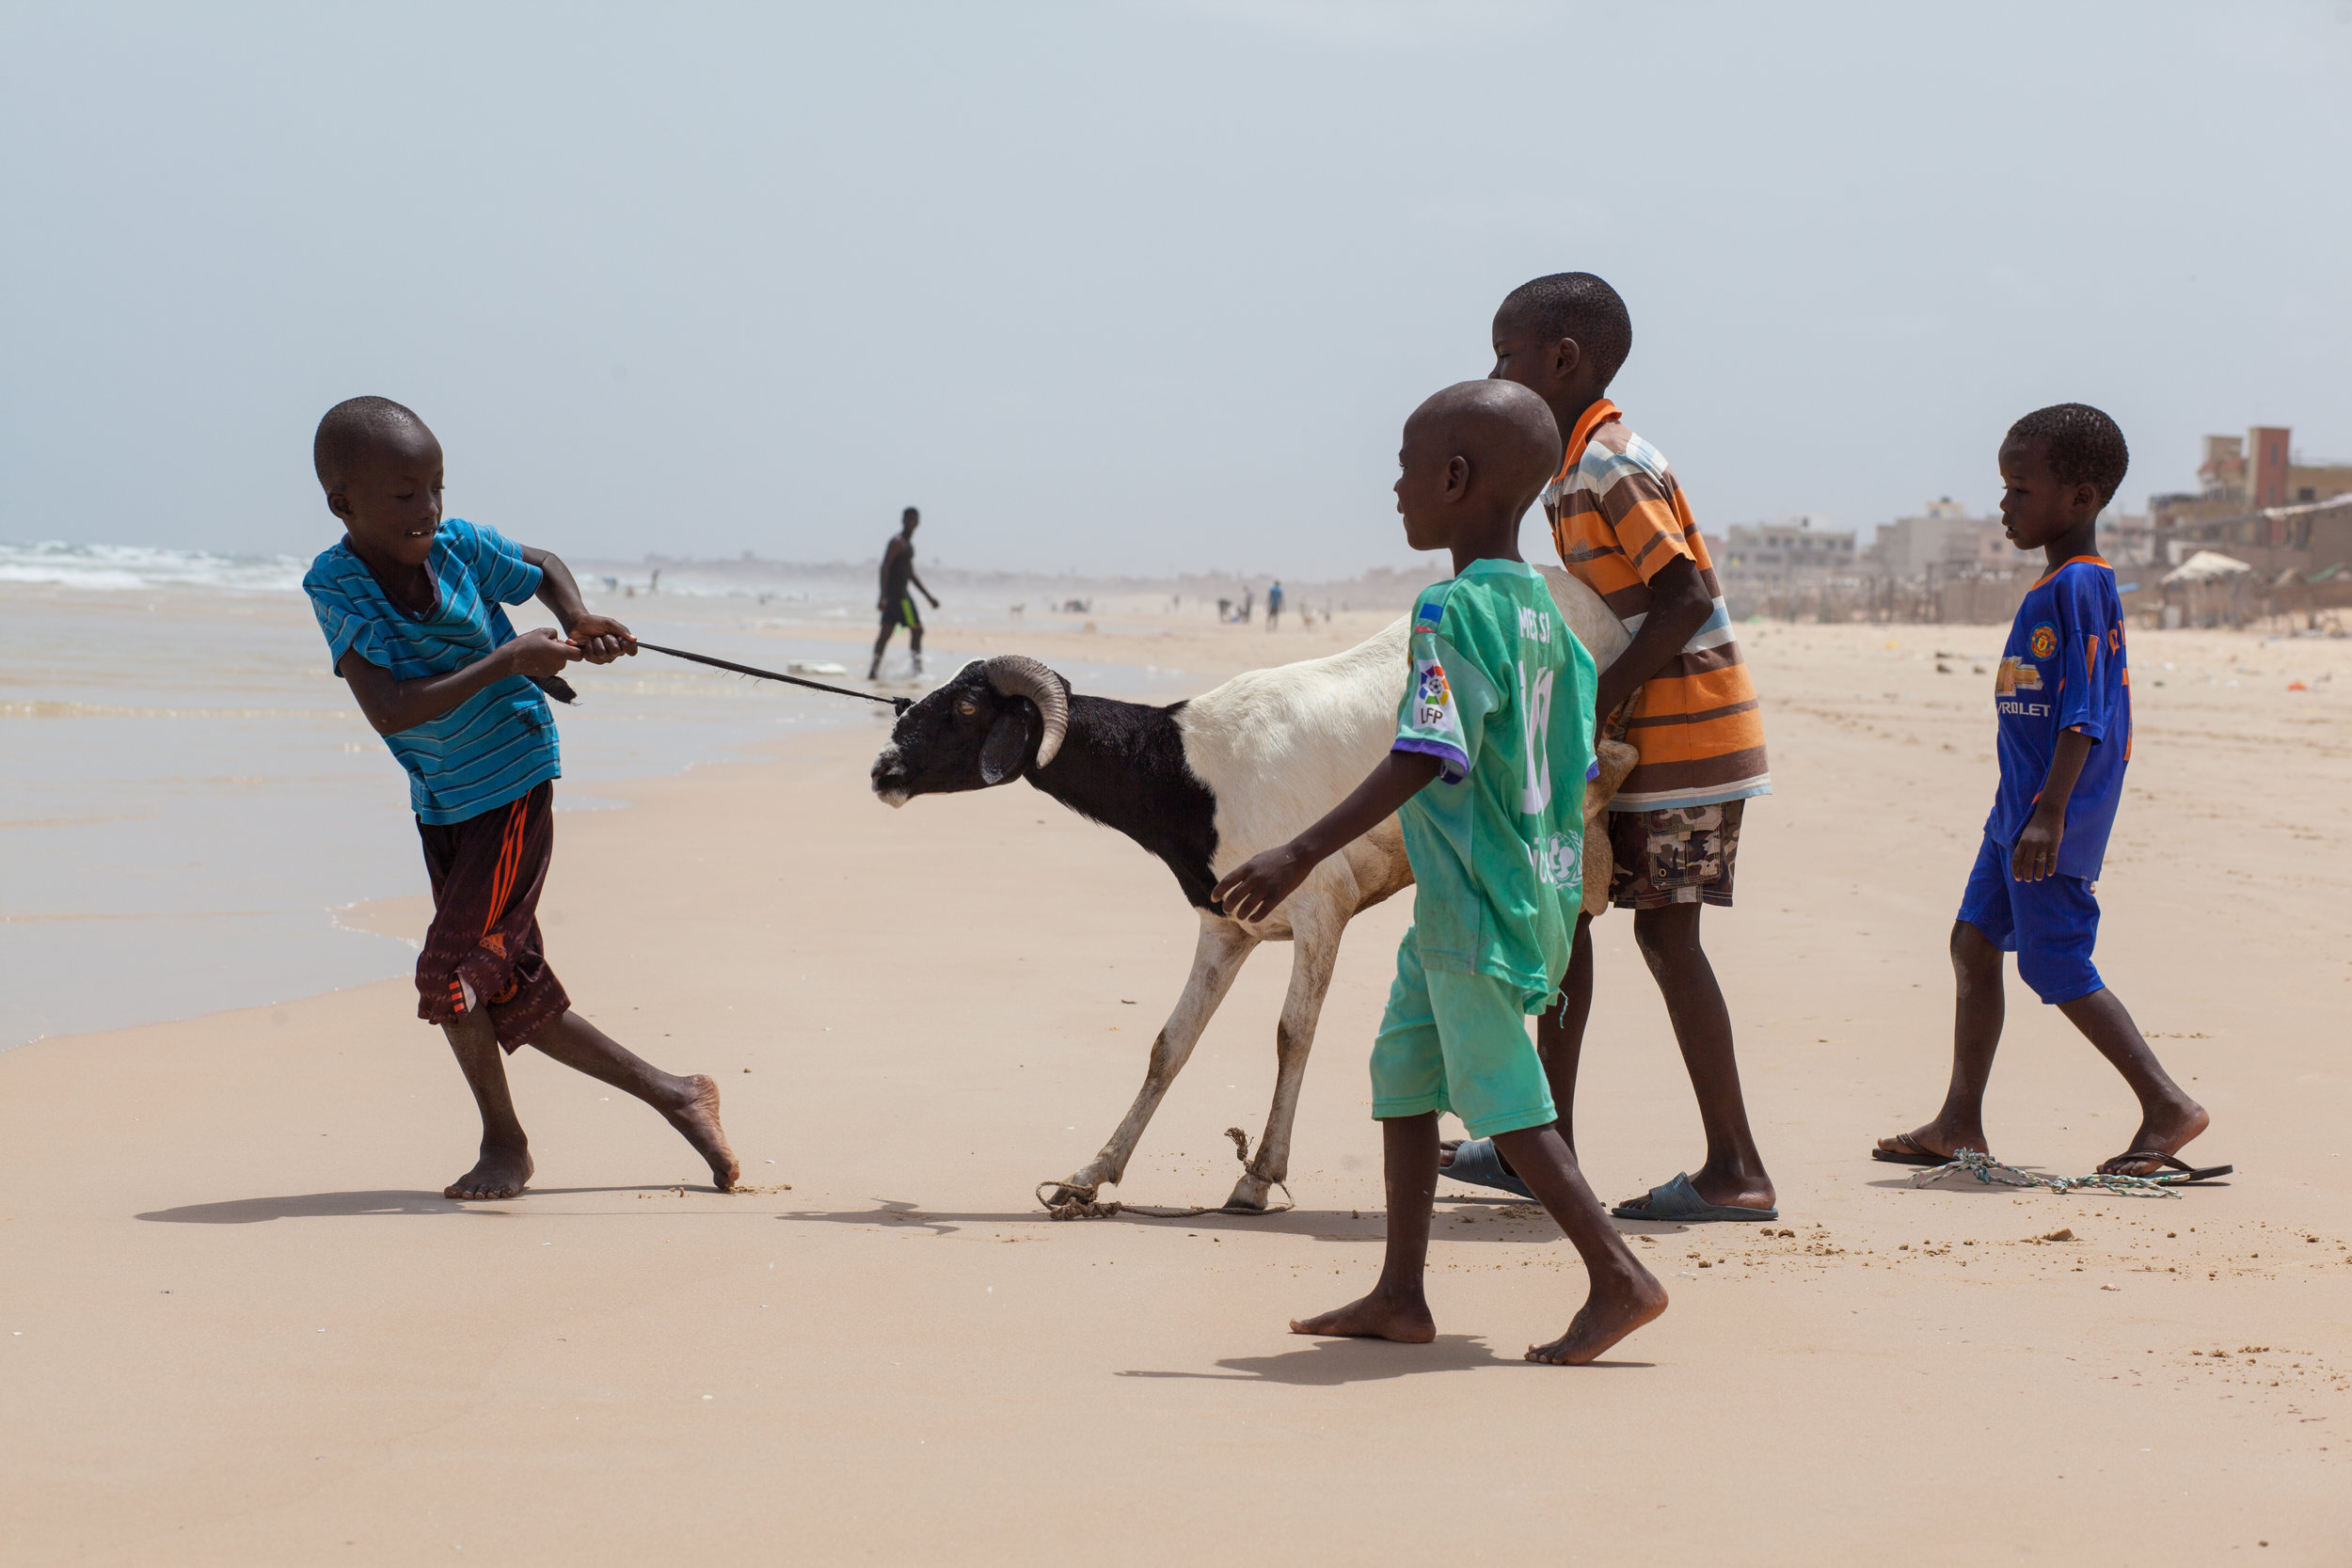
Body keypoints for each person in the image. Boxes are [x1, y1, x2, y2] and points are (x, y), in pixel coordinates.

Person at [1215, 380, 1666, 1366]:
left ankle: (1618, 1274)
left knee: (1505, 1096)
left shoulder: (1451, 610)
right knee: (1405, 1071)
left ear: (1454, 480)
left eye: (1407, 469)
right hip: (1525, 883)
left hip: (1470, 893)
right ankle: (1400, 1291)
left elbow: (1427, 749)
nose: (1395, 487)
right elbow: (1574, 759)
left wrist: (1297, 848)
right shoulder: (1551, 619)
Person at [303, 396, 739, 1201]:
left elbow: (537, 567)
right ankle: (678, 1093)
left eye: (436, 486)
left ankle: (505, 1143)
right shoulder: (337, 584)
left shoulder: (459, 544)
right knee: (509, 987)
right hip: (441, 798)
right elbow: (393, 706)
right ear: (343, 502)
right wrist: (510, 658)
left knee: (451, 975)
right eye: (404, 495)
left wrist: (576, 616)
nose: (428, 509)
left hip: (510, 778)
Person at [1443, 271, 1777, 1224]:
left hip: (1686, 739)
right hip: (1636, 741)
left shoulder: (1608, 465)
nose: (1495, 374)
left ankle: (1735, 1166)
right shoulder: (1567, 470)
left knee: (1668, 937)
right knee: (1571, 918)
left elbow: (1683, 599)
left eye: (1505, 357)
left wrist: (1592, 701)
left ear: (1561, 360)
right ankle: (1540, 1145)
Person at [1875, 405, 2227, 1182]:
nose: (2005, 504)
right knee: (1972, 943)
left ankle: (2167, 1104)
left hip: (2049, 819)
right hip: (2017, 813)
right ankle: (1958, 1120)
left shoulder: (2082, 586)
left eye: (2019, 487)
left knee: (2056, 961)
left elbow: (2086, 709)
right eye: (2004, 486)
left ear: (2081, 496)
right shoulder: (2053, 582)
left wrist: (2052, 813)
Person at [869, 506, 940, 679]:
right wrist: (882, 596)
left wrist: (928, 597)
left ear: (918, 522)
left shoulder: (908, 545)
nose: (911, 522)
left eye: (914, 519)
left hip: (900, 596)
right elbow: (885, 567)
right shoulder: (897, 542)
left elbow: (910, 574)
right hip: (899, 598)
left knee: (887, 632)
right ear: (903, 521)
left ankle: (874, 671)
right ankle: (916, 670)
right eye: (908, 519)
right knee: (916, 631)